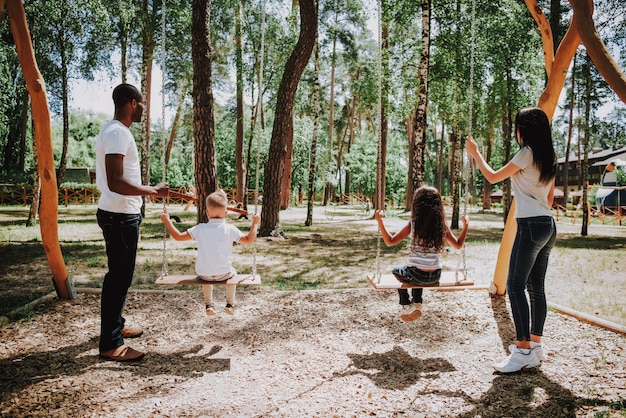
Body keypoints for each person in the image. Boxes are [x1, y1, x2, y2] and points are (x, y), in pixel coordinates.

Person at [466, 106, 557, 373]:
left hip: (530, 225)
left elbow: (493, 177)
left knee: (515, 286)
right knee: (536, 287)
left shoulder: (527, 152)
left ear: (524, 130)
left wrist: (476, 154)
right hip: (548, 224)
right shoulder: (549, 156)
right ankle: (536, 346)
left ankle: (523, 350)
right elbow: (550, 199)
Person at [96, 83, 169, 362]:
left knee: (120, 277)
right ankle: (110, 344)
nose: (143, 110)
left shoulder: (115, 131)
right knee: (118, 278)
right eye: (141, 104)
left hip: (121, 214)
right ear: (131, 103)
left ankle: (117, 325)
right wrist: (152, 191)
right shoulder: (116, 133)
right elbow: (115, 182)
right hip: (119, 216)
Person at [374, 185, 469, 322]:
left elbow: (390, 241)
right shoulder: (441, 226)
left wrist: (380, 222)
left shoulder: (413, 224)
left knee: (398, 271)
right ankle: (417, 303)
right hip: (436, 275)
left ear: (417, 205)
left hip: (416, 274)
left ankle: (406, 304)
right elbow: (458, 245)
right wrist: (465, 226)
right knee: (415, 274)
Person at [160, 189, 260, 316]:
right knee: (233, 273)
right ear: (226, 213)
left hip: (203, 275)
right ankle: (230, 304)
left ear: (207, 213)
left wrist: (167, 221)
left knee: (206, 272)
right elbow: (249, 240)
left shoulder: (200, 228)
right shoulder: (230, 229)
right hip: (225, 274)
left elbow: (178, 237)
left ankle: (209, 305)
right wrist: (255, 224)